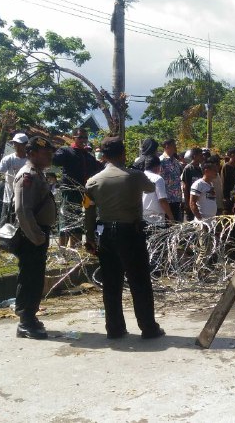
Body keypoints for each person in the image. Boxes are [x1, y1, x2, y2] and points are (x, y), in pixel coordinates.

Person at [83, 137, 165, 340]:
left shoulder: (92, 181)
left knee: (111, 283)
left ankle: (115, 328)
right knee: (139, 281)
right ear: (123, 154)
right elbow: (150, 188)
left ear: (103, 156)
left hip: (105, 234)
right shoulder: (135, 176)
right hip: (130, 233)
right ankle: (148, 327)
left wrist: (89, 238)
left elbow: (88, 211)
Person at [12, 136, 57, 339]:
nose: (50, 156)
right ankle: (25, 321)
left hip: (38, 232)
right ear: (31, 154)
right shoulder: (27, 175)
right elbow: (22, 210)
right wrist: (37, 236)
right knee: (29, 277)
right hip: (31, 234)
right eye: (45, 153)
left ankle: (30, 316)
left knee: (36, 276)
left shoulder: (38, 173)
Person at [53, 127, 103, 249]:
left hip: (84, 193)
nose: (83, 140)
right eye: (80, 137)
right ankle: (62, 251)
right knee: (66, 220)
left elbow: (100, 169)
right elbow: (54, 161)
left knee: (80, 221)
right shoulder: (66, 151)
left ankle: (75, 250)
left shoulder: (88, 156)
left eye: (85, 137)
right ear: (73, 138)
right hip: (70, 191)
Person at [0, 133, 29, 225]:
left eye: (19, 144)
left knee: (24, 227)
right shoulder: (8, 159)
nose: (16, 146)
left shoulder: (31, 160)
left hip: (27, 201)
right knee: (5, 226)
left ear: (26, 145)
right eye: (15, 143)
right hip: (9, 198)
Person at [142, 156, 173, 227]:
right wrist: (171, 217)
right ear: (158, 166)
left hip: (142, 218)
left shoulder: (139, 176)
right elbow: (162, 200)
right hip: (156, 219)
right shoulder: (158, 179)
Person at [159, 139, 184, 222]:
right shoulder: (161, 161)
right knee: (168, 225)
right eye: (174, 145)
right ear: (167, 146)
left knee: (177, 225)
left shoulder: (176, 161)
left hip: (176, 199)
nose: (176, 147)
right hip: (167, 200)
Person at [180, 147, 204, 221]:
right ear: (194, 156)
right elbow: (185, 186)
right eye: (200, 155)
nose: (202, 157)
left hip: (199, 201)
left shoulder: (200, 169)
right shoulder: (188, 169)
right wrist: (187, 203)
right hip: (191, 200)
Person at [220, 148, 235, 214]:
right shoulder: (226, 166)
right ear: (232, 155)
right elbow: (224, 183)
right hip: (228, 197)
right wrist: (225, 197)